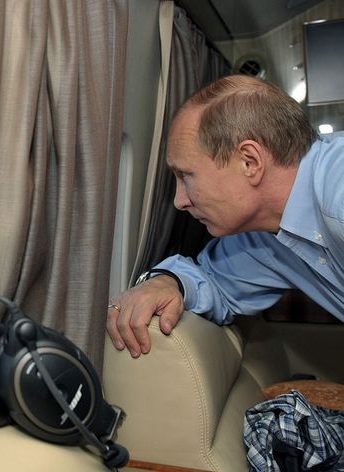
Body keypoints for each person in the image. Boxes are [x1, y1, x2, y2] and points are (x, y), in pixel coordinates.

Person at [106, 74, 344, 358]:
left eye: (186, 175)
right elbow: (213, 281)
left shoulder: (337, 190)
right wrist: (167, 282)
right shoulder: (264, 238)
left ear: (249, 162)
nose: (178, 201)